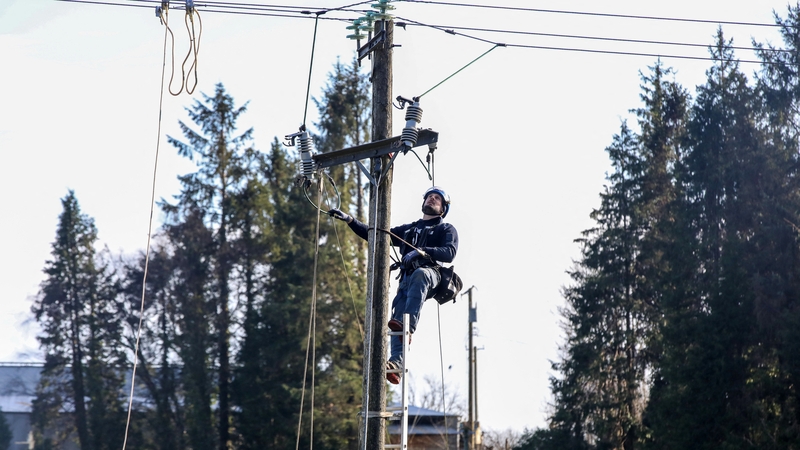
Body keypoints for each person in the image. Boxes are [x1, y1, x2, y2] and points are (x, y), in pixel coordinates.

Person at [329, 186, 459, 384]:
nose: (432, 200)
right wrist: (350, 220)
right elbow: (377, 234)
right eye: (429, 197)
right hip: (407, 279)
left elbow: (449, 252)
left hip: (431, 274)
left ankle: (409, 328)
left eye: (437, 199)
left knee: (420, 275)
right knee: (397, 316)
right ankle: (395, 366)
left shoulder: (445, 229)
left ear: (443, 209)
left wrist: (421, 251)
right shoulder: (408, 229)